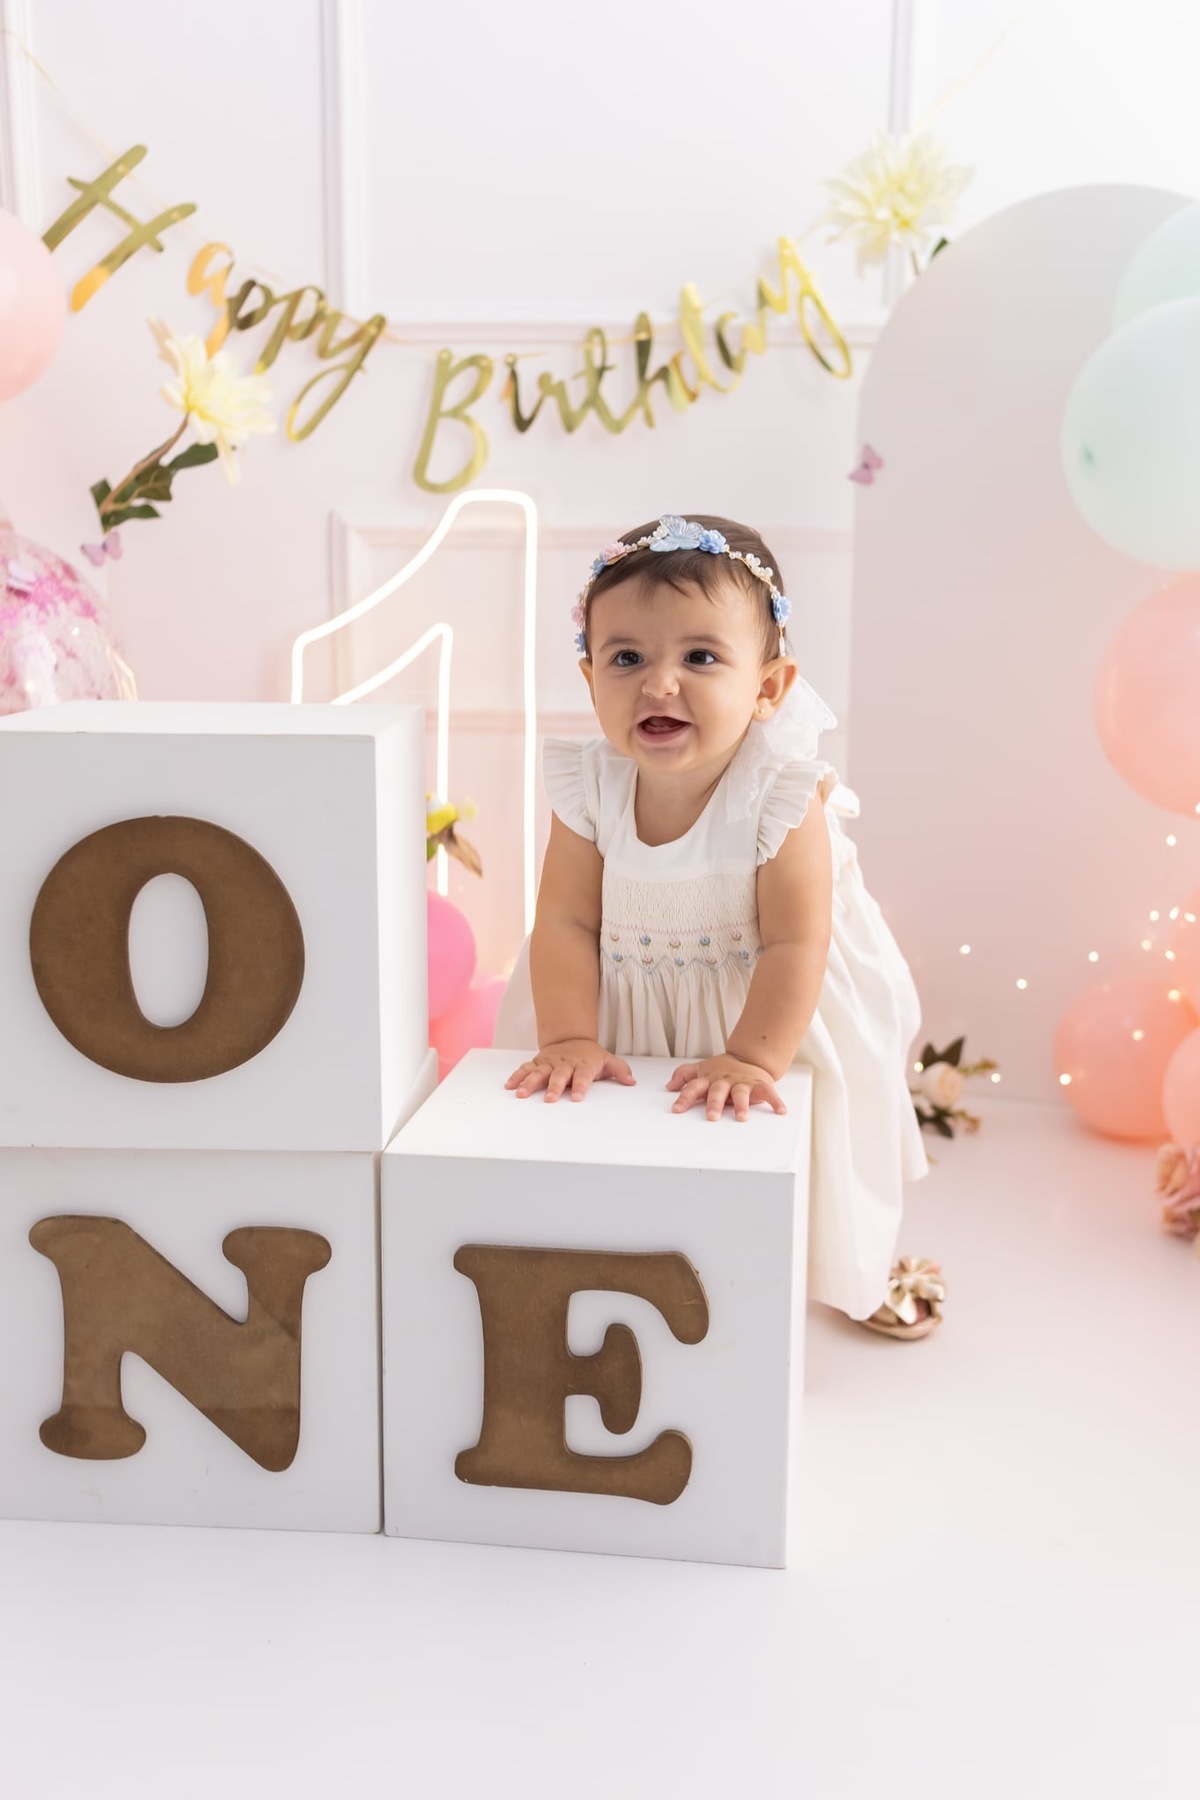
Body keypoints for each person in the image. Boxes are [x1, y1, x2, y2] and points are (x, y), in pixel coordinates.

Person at [493, 513, 942, 1339]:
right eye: (627, 659)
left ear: (769, 687)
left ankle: (854, 1265)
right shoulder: (587, 785)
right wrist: (567, 1034)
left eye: (700, 657)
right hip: (628, 998)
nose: (660, 685)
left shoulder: (779, 795)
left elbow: (795, 942)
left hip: (768, 1004)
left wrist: (749, 1055)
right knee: (622, 1144)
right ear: (591, 678)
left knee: (815, 1148)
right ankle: (636, 1272)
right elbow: (562, 918)